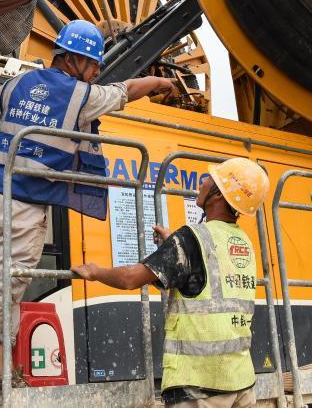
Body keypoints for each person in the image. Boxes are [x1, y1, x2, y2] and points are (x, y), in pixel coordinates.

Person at [0, 19, 176, 408]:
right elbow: (127, 90)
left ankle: (4, 385)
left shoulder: (18, 85)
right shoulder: (82, 96)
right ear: (77, 60)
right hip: (20, 212)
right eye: (94, 64)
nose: (97, 72)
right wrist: (161, 84)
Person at [73, 158, 270, 408]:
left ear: (218, 195)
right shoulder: (244, 242)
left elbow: (130, 279)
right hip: (241, 383)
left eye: (210, 180)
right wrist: (174, 246)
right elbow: (206, 279)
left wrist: (95, 272)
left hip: (200, 387)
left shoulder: (191, 239)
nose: (202, 183)